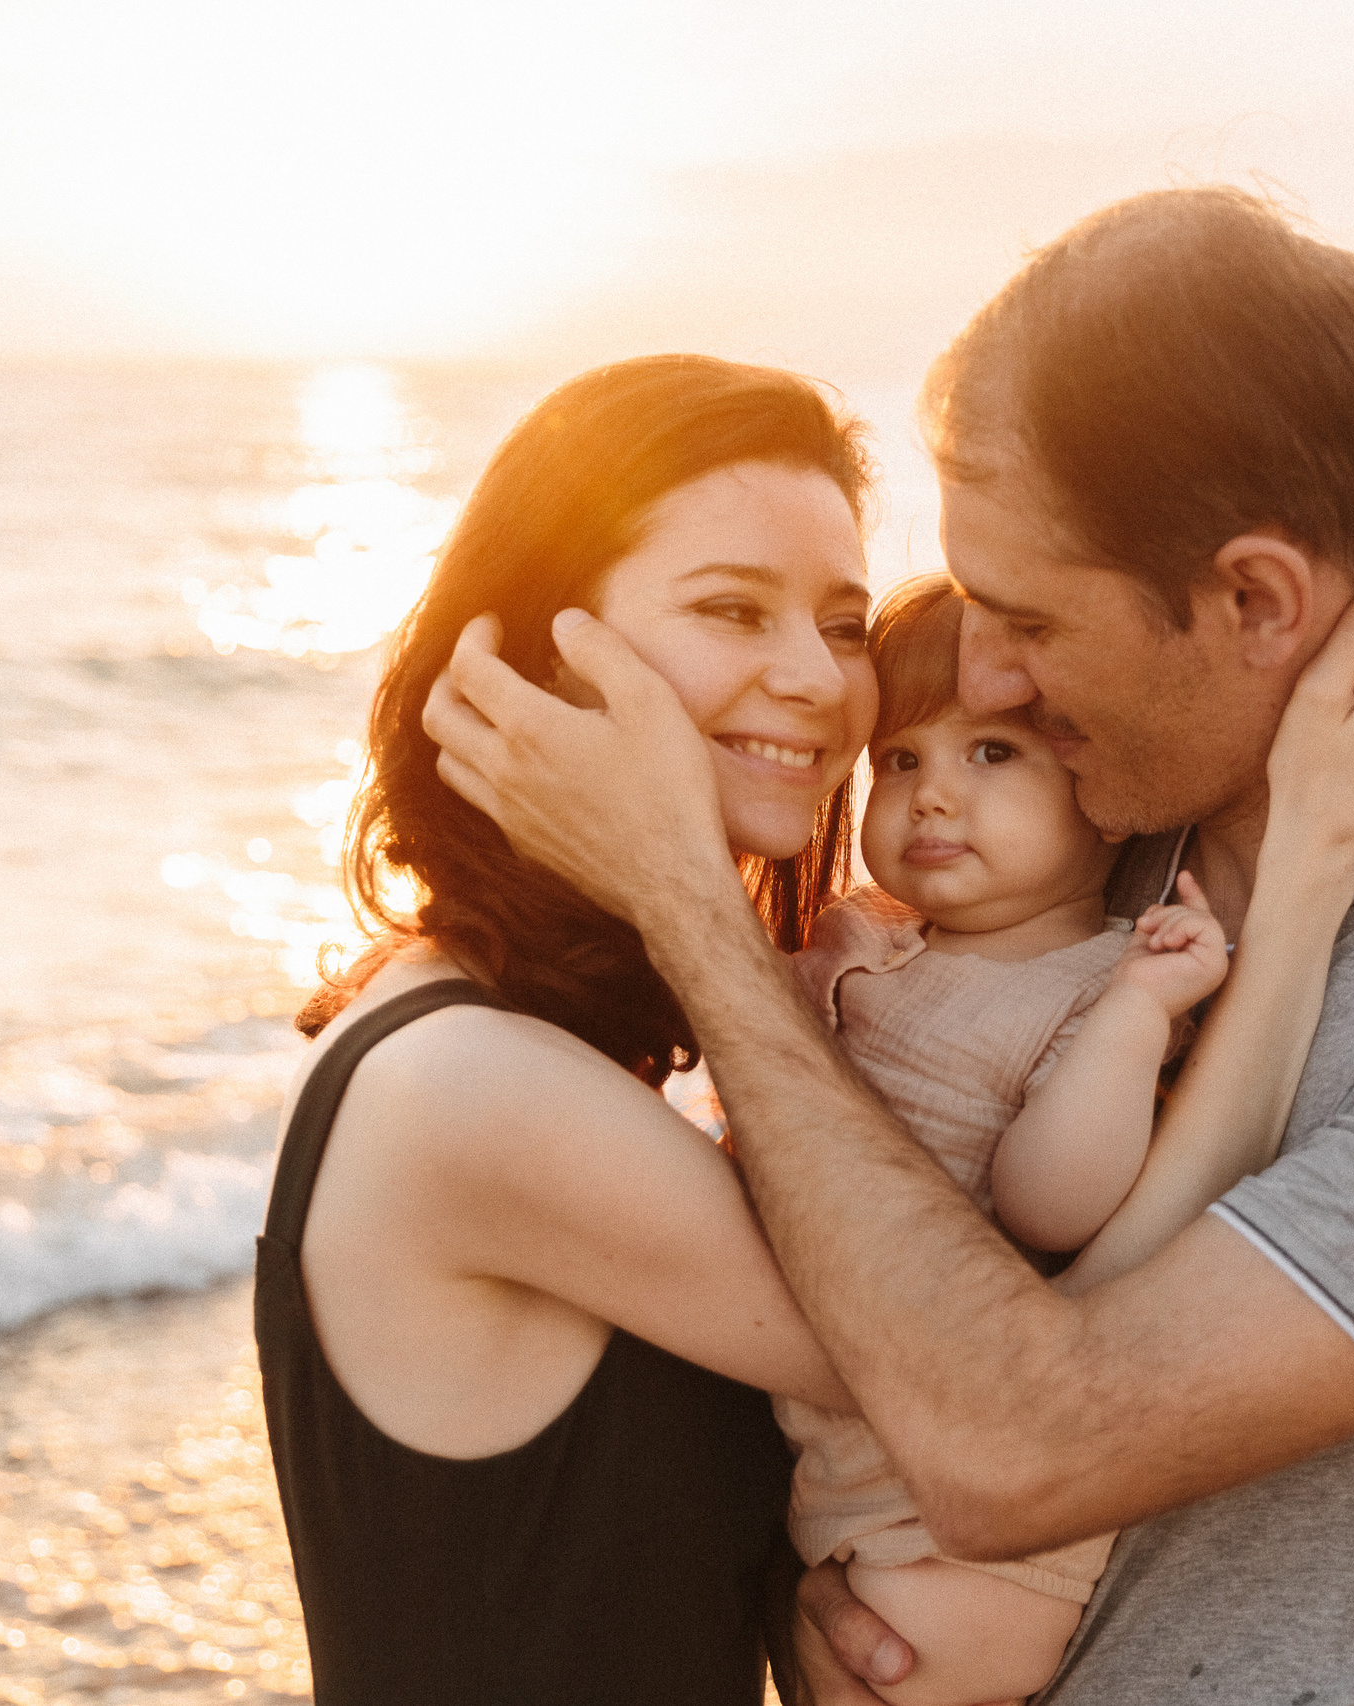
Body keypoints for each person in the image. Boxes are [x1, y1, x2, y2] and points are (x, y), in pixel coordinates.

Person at [424, 185, 1354, 1704]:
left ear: (1253, 598)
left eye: (1031, 618)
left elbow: (1011, 1446)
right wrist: (807, 1592)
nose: (979, 673)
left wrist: (694, 915)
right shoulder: (1086, 825)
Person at [254, 353, 875, 1704]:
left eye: (846, 622)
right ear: (537, 650)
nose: (818, 678)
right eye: (732, 608)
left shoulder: (525, 1036)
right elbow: (964, 1371)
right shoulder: (474, 1086)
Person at [774, 572, 1354, 1705]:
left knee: (894, 1654)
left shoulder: (1094, 984)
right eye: (900, 761)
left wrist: (1141, 1014)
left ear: (1095, 788)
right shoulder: (859, 935)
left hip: (974, 1545)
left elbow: (1053, 1201)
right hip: (845, 1466)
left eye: (991, 755)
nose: (931, 796)